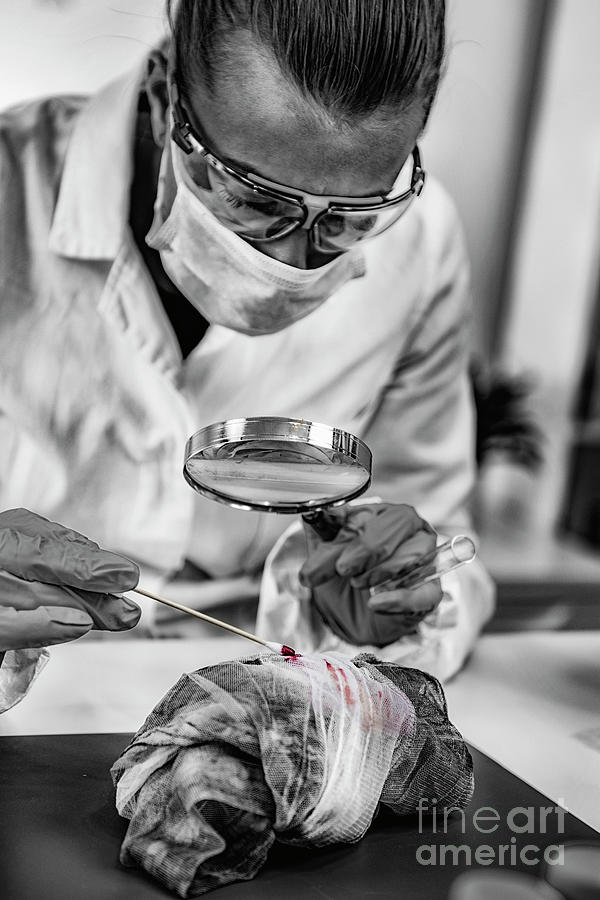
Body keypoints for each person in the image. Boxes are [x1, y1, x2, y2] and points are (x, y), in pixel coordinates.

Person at [0, 0, 494, 710]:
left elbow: (439, 537)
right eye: (251, 196)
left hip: (272, 706)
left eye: (353, 216)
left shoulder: (423, 245)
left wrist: (400, 599)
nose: (294, 262)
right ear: (166, 86)